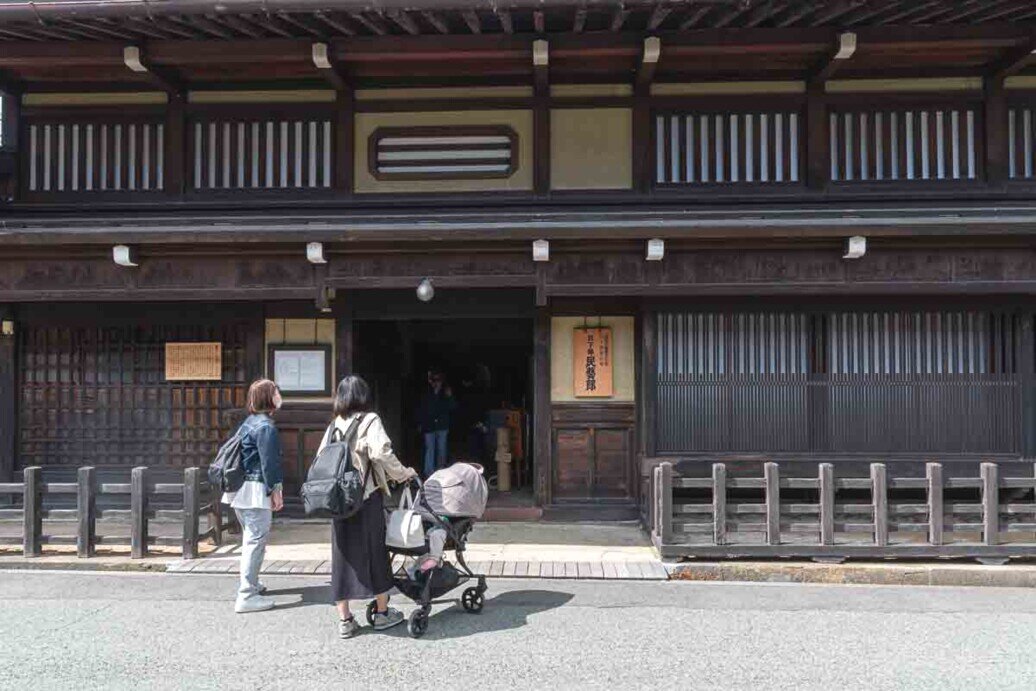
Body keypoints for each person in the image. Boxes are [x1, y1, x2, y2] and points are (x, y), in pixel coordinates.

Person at [320, 375, 418, 639]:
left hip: (337, 500)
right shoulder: (370, 420)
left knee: (342, 555)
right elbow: (381, 453)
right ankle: (383, 614)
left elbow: (321, 457)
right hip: (364, 497)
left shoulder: (333, 425)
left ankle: (345, 620)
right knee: (375, 552)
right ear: (363, 395)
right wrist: (403, 473)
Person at [221, 378, 285, 614]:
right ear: (269, 397)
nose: (279, 395)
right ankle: (246, 594)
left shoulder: (249, 422)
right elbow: (270, 464)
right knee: (255, 541)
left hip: (240, 490)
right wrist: (275, 490)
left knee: (251, 538)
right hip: (255, 491)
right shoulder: (266, 427)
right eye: (276, 391)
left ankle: (253, 584)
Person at [417, 369, 457, 477]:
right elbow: (421, 408)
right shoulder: (426, 392)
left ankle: (441, 472)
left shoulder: (445, 392)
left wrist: (450, 396)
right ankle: (429, 473)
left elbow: (453, 408)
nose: (436, 383)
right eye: (434, 380)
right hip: (429, 425)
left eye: (438, 380)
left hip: (442, 425)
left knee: (441, 449)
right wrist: (420, 423)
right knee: (430, 449)